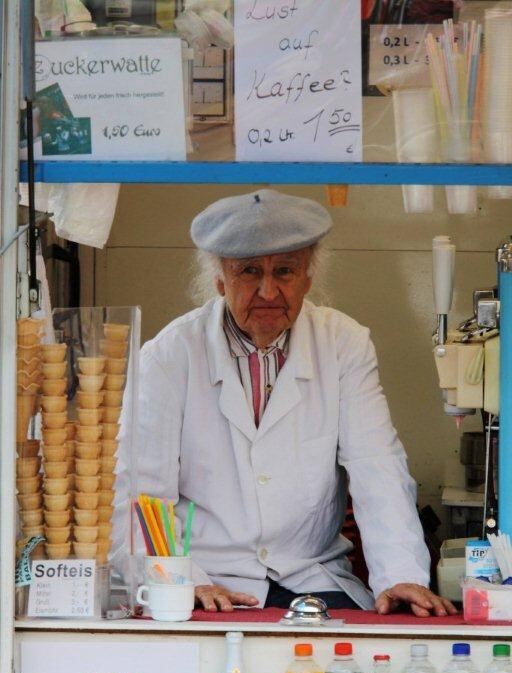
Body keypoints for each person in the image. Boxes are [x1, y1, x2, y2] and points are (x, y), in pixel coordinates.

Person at [113, 189, 456, 617]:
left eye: (286, 271)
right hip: (205, 580)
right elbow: (142, 494)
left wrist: (401, 575)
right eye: (249, 271)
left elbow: (377, 467)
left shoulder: (343, 343)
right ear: (219, 279)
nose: (268, 290)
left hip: (311, 578)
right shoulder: (169, 354)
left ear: (309, 278)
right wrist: (181, 579)